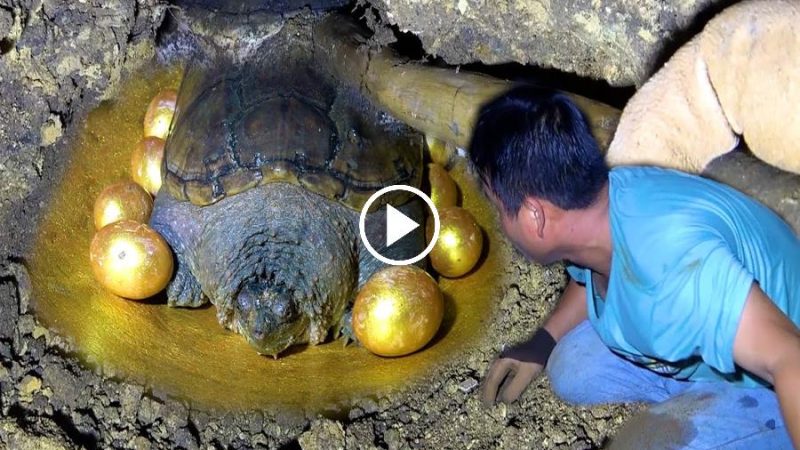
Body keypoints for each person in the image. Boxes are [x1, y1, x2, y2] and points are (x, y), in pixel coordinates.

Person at [470, 85, 800, 449]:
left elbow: (789, 357)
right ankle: (695, 402)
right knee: (573, 368)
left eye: (498, 206)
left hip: (772, 378)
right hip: (714, 336)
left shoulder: (674, 268)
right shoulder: (604, 205)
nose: (500, 222)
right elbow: (589, 277)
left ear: (535, 217)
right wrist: (541, 342)